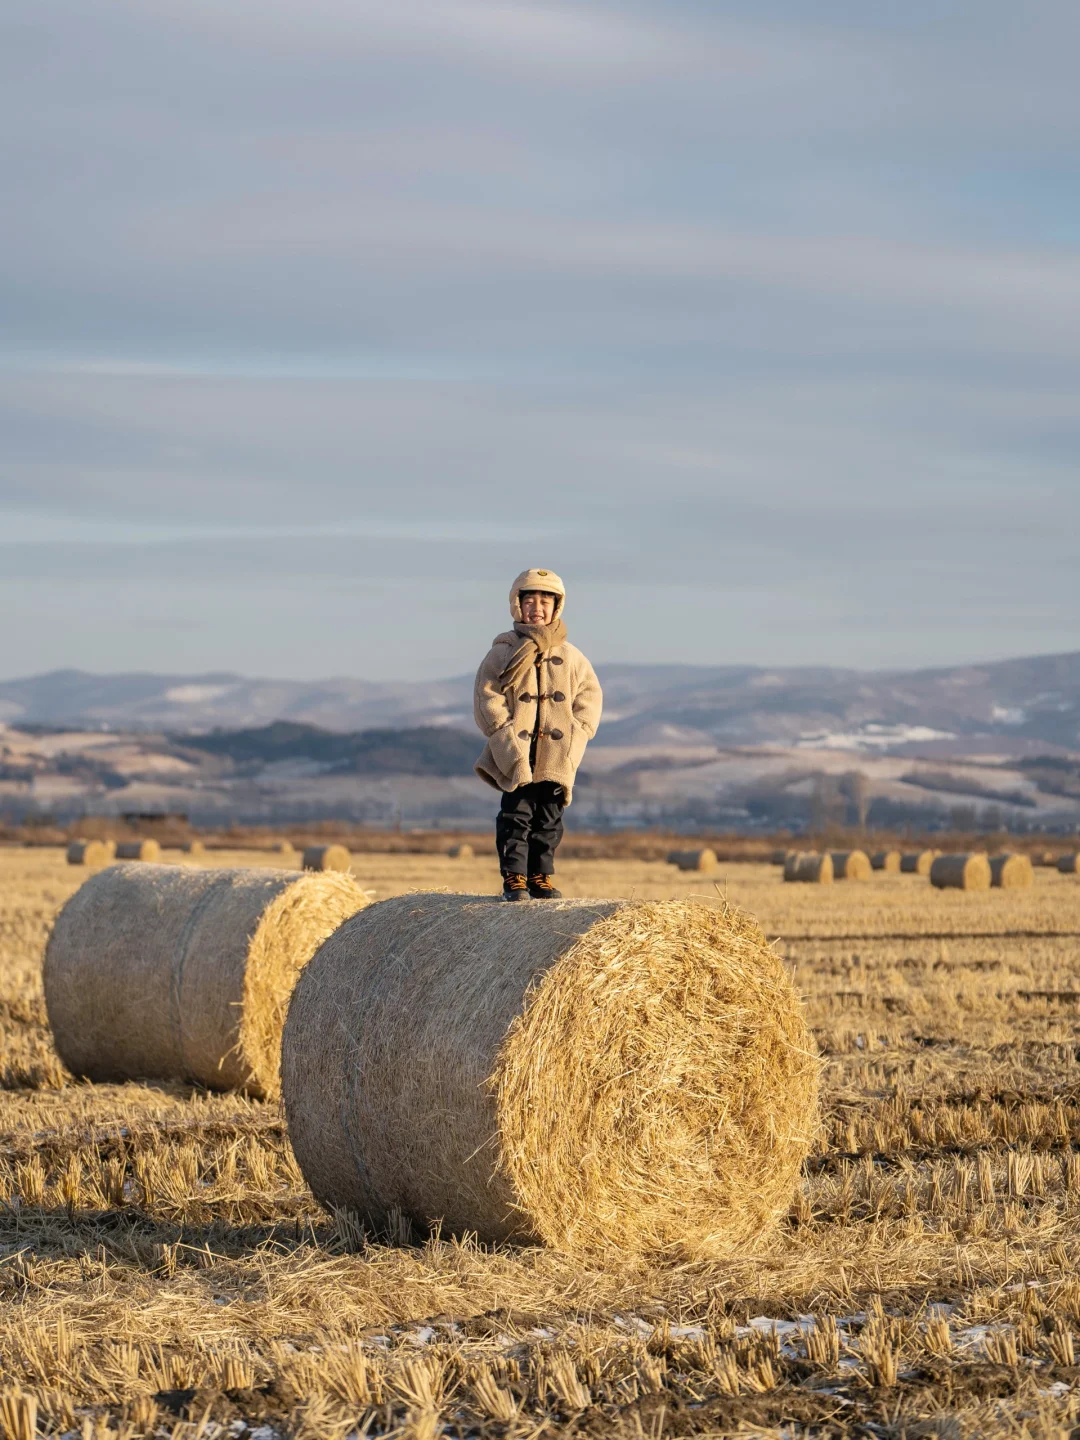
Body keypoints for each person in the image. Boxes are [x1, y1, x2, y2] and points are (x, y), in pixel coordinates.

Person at [474, 568, 602, 900]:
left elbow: (590, 696)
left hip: (557, 753)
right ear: (517, 606)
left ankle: (540, 876)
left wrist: (579, 732)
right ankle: (514, 878)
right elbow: (487, 695)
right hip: (517, 749)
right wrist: (503, 733)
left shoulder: (572, 656)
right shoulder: (502, 652)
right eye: (529, 600)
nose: (537, 608)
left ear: (557, 606)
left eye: (545, 601)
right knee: (516, 815)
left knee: (549, 817)